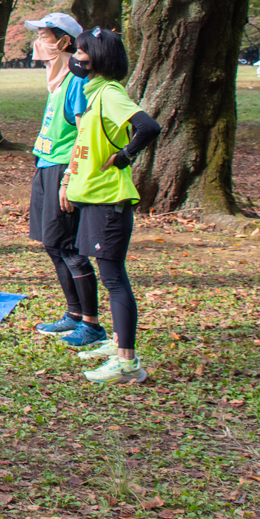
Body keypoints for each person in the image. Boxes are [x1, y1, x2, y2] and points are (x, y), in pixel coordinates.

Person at [60, 27, 162, 384]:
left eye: (82, 50)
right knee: (109, 277)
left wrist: (125, 156)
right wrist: (69, 180)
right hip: (93, 199)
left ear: (98, 57)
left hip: (110, 202)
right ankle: (118, 343)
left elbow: (148, 127)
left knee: (115, 280)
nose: (76, 55)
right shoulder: (95, 93)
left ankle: (127, 363)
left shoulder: (110, 93)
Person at [21, 13, 104, 347]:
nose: (37, 43)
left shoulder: (77, 83)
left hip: (62, 170)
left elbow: (84, 133)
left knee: (68, 247)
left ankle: (92, 323)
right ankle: (73, 314)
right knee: (51, 244)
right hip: (45, 165)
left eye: (43, 36)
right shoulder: (57, 81)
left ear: (64, 42)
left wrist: (70, 177)